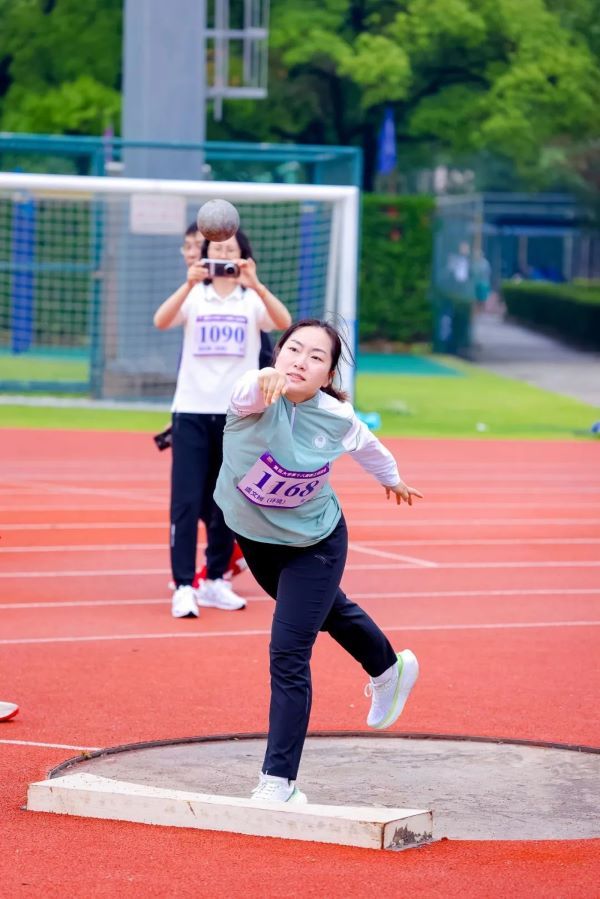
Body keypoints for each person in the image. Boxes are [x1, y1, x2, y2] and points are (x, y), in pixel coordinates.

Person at [214, 319, 423, 803]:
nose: (300, 362)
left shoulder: (335, 415)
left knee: (288, 651)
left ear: (328, 375)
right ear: (277, 354)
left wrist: (391, 479)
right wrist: (262, 378)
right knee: (331, 611)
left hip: (316, 541)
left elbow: (368, 446)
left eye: (315, 357)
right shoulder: (251, 398)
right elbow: (249, 389)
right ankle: (388, 669)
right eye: (293, 349)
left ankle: (279, 781)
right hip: (257, 540)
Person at [154, 228, 291, 620]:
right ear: (205, 255)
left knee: (227, 502)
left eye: (231, 250)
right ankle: (184, 586)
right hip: (191, 412)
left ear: (243, 256)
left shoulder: (251, 300)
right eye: (217, 249)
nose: (224, 256)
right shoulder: (195, 295)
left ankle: (216, 579)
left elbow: (282, 321)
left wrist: (256, 283)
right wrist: (188, 283)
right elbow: (161, 321)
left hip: (237, 415)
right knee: (185, 502)